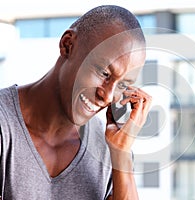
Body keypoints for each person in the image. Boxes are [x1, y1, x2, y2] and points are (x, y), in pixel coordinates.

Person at [0, 5, 152, 200]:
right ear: (68, 45)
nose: (107, 96)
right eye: (104, 73)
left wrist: (121, 154)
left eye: (123, 84)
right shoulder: (5, 126)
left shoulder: (107, 150)